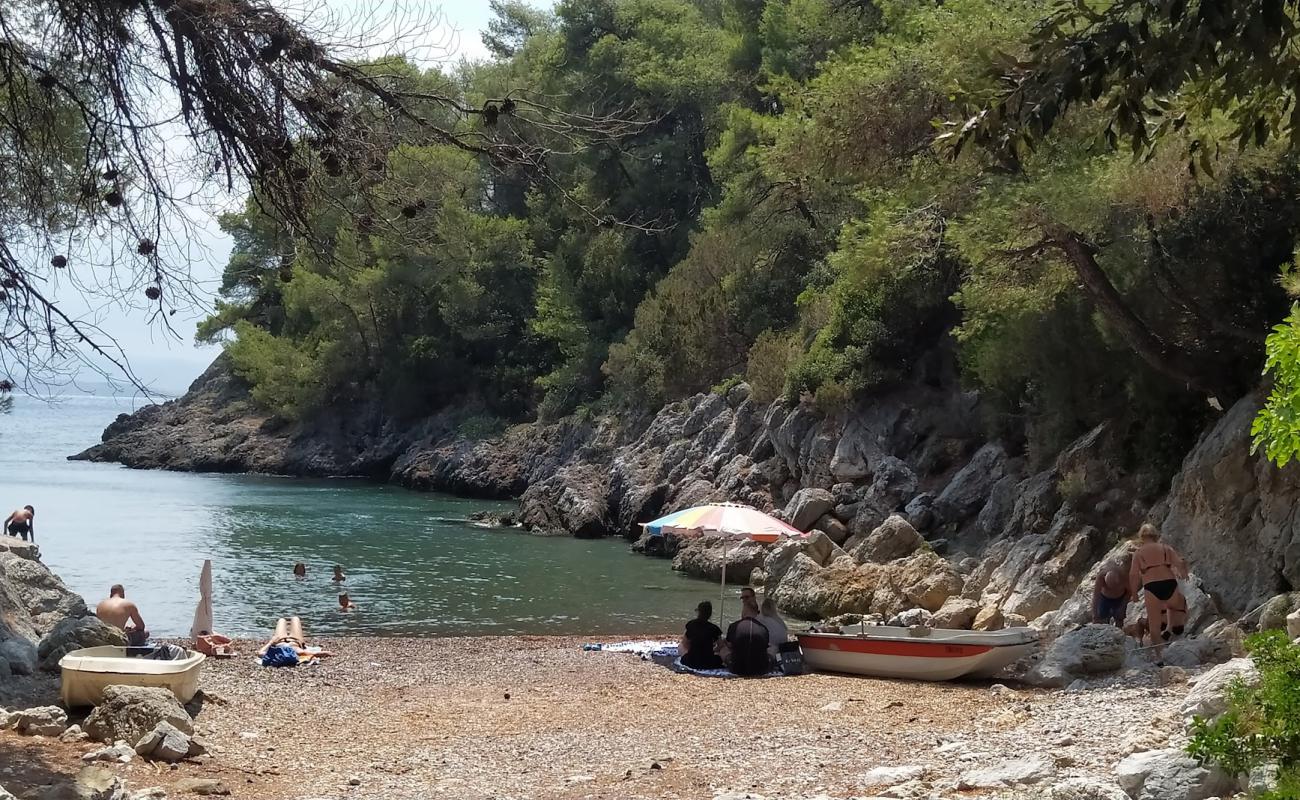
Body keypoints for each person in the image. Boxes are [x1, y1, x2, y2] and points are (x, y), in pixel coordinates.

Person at [1129, 523, 1189, 650]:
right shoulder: (1166, 548)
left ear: (1141, 536)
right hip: (1169, 583)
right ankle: (1169, 628)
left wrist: (1134, 594)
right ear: (1155, 535)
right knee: (1173, 606)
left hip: (1151, 586)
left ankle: (1159, 657)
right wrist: (1185, 573)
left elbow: (1133, 575)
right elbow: (1179, 563)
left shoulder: (1138, 553)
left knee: (1154, 626)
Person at [257, 617, 334, 666]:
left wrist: (271, 642)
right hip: (294, 640)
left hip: (279, 640)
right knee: (295, 618)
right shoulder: (295, 651)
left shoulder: (274, 654)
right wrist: (327, 653)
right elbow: (315, 653)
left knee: (282, 620)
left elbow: (259, 653)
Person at [724, 596, 771, 676]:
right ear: (756, 612)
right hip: (761, 669)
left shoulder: (734, 626)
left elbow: (729, 645)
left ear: (745, 610)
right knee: (772, 649)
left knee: (723, 649)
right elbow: (766, 647)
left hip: (737, 668)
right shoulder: (763, 628)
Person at [679, 601, 724, 670]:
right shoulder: (714, 628)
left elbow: (685, 643)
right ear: (710, 614)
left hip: (692, 662)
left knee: (680, 646)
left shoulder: (691, 624)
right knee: (721, 652)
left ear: (698, 611)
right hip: (709, 663)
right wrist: (714, 650)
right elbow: (721, 645)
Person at [1092, 561, 1131, 627]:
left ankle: (1119, 632)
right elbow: (1096, 596)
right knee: (1102, 618)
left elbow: (1130, 592)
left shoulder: (1124, 576)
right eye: (1109, 587)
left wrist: (1123, 606)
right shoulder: (1100, 577)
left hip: (1120, 599)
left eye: (1115, 587)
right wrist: (1094, 615)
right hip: (1104, 599)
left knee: (1119, 617)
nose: (1112, 590)